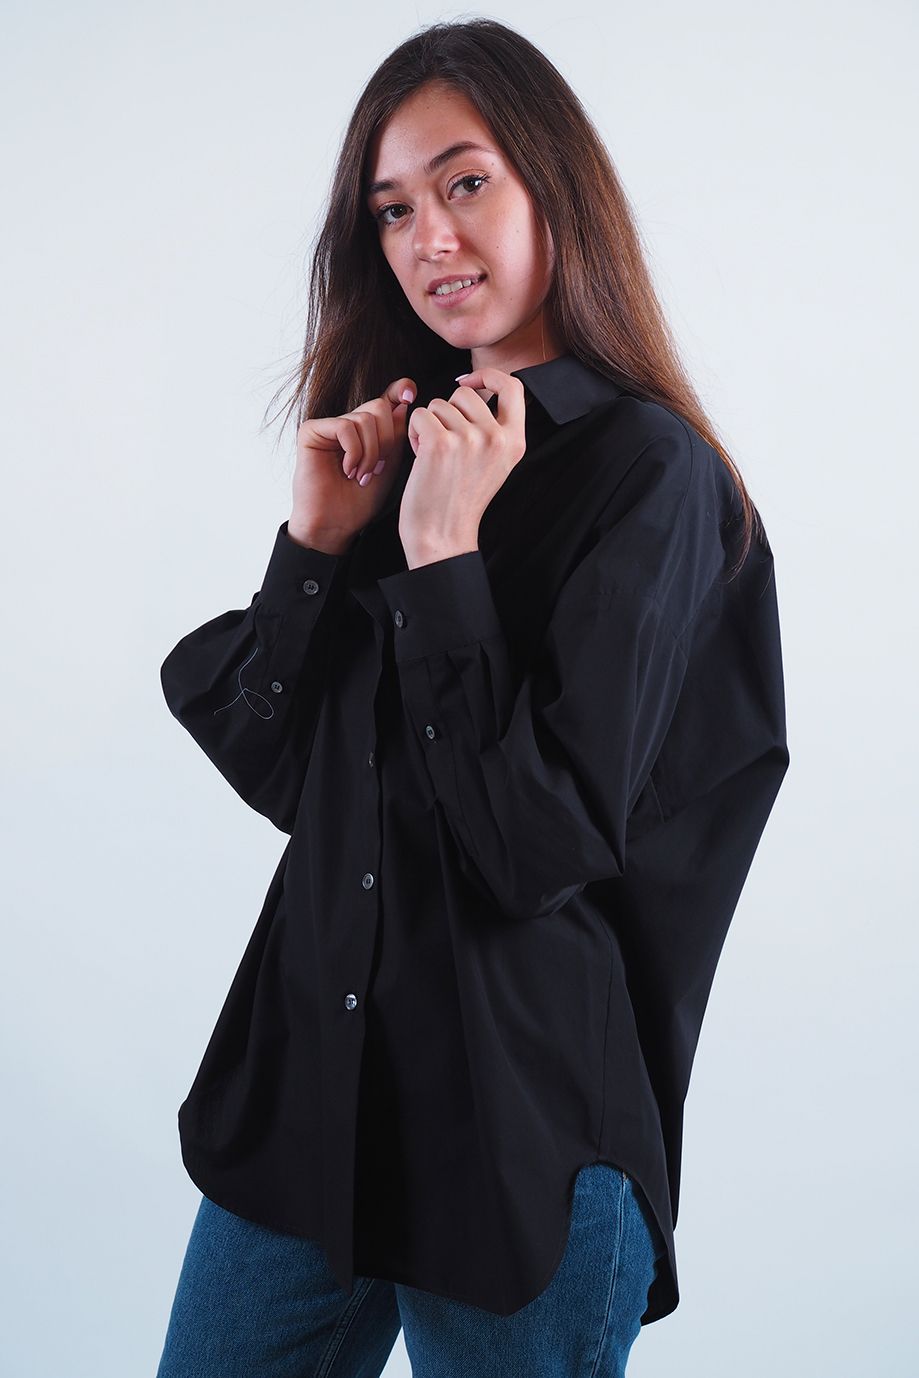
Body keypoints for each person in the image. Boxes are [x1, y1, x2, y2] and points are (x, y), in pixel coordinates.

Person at [155, 17, 790, 1378]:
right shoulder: (407, 443)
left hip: (521, 1139)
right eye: (393, 210)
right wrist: (317, 545)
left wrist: (447, 556)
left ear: (554, 185)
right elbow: (287, 775)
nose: (429, 238)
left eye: (464, 183)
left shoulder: (654, 477)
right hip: (311, 1104)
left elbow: (535, 846)